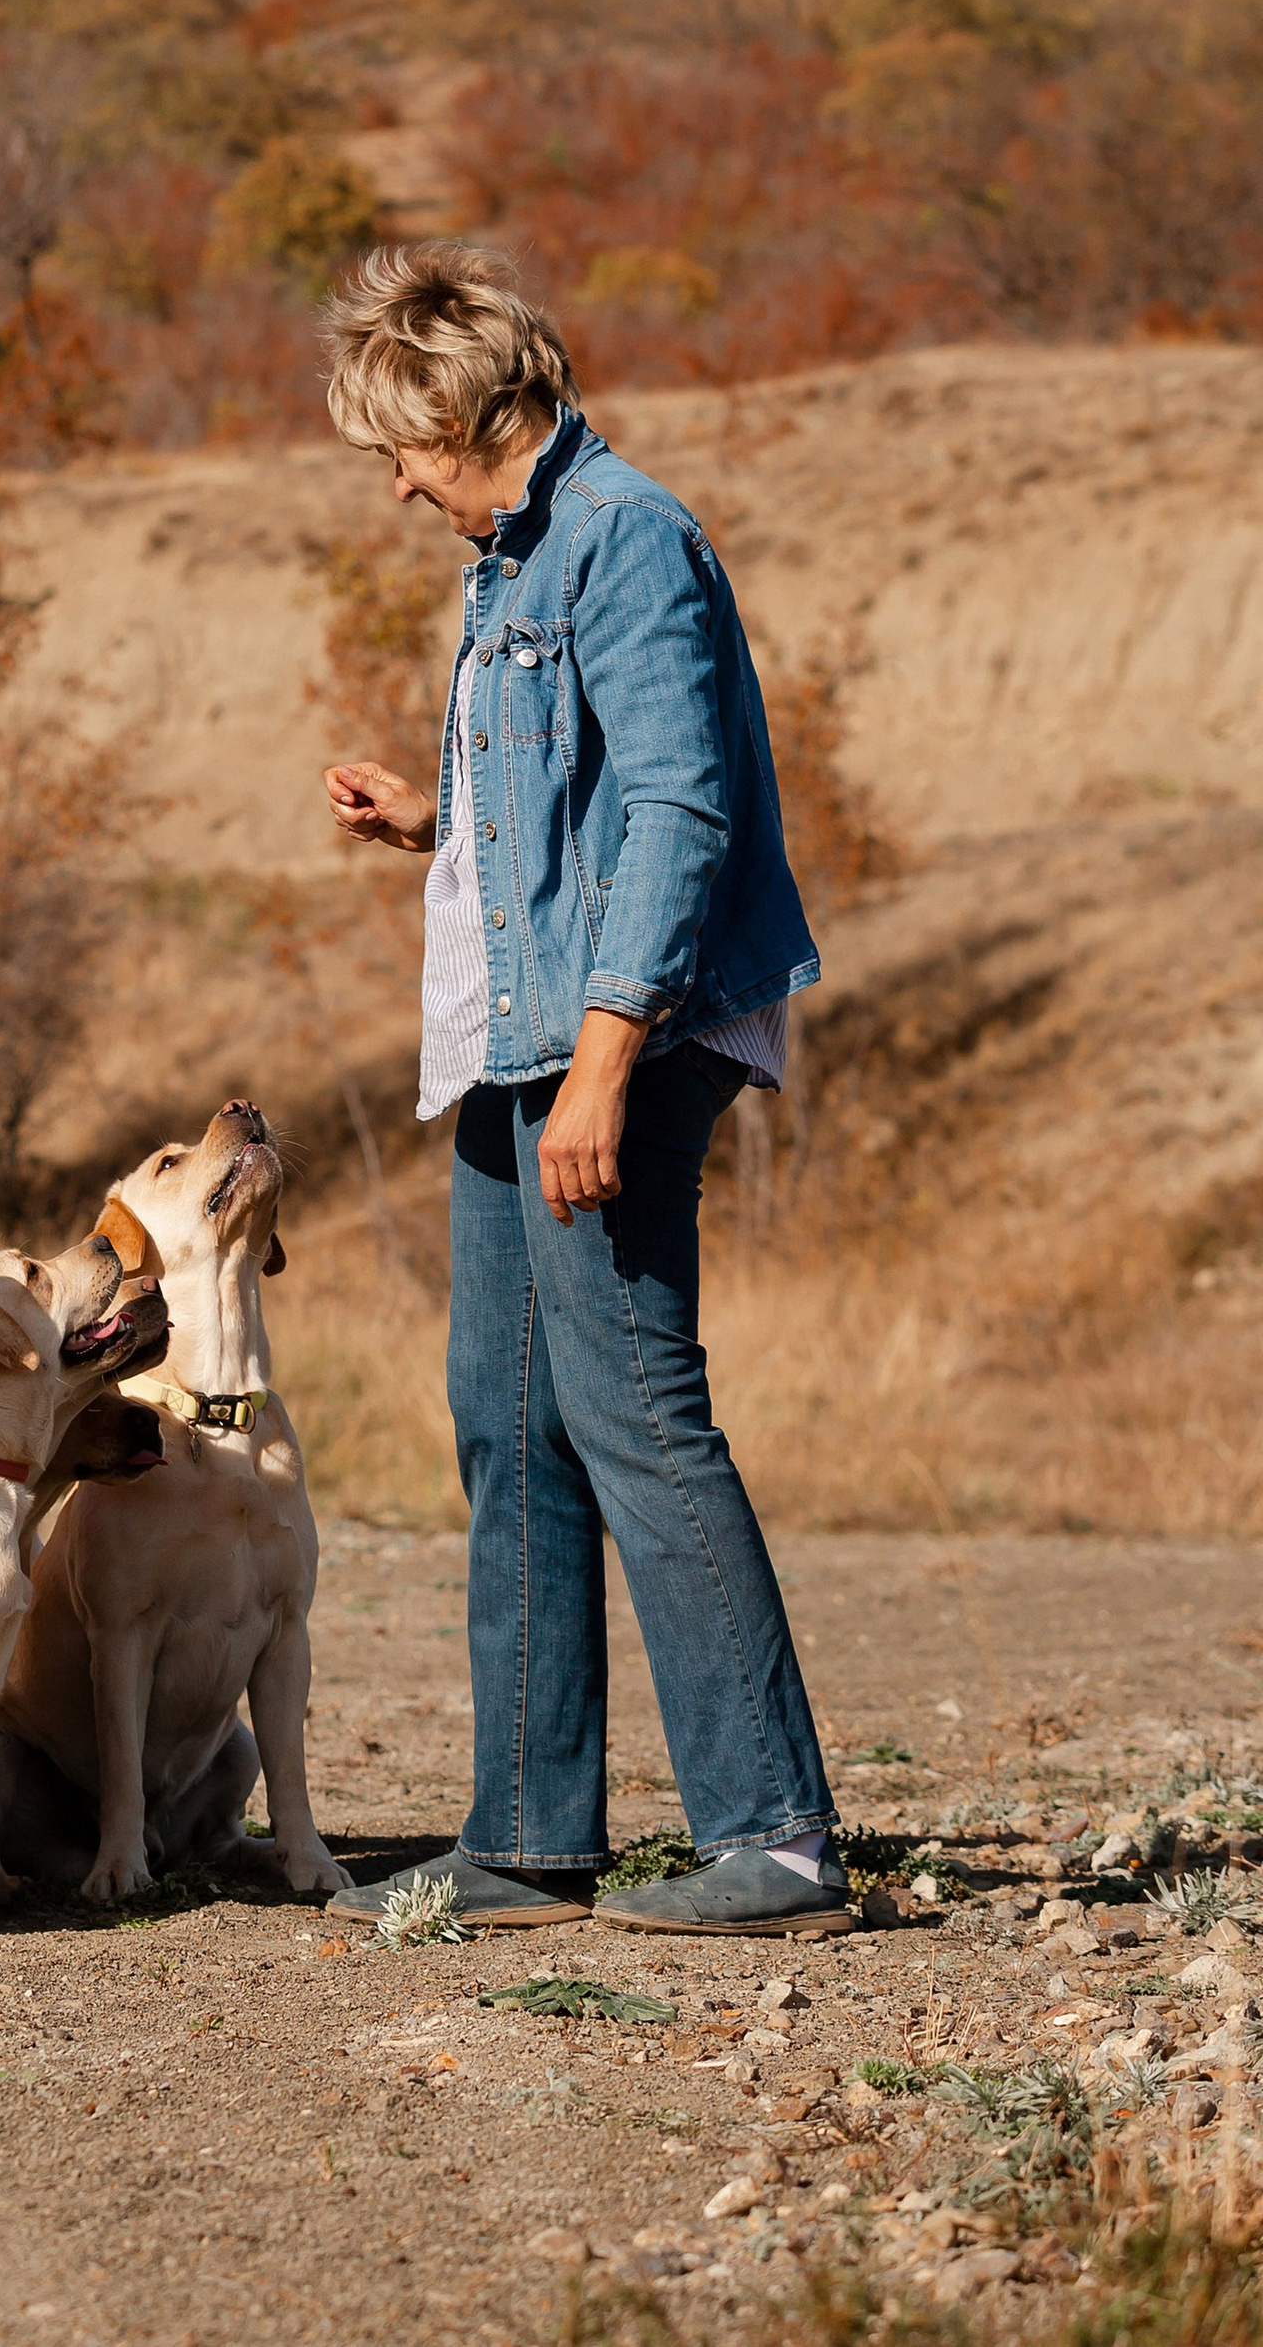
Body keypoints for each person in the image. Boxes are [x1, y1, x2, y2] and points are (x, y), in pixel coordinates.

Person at [315, 242, 848, 1937]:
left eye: (404, 449)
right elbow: (584, 798)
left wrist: (608, 1063)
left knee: (633, 1411)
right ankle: (533, 1835)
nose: (399, 484)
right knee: (508, 1414)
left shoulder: (627, 538)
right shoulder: (515, 559)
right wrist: (435, 818)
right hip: (515, 1037)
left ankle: (778, 1836)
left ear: (472, 414)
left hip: (610, 1043)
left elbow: (683, 811)